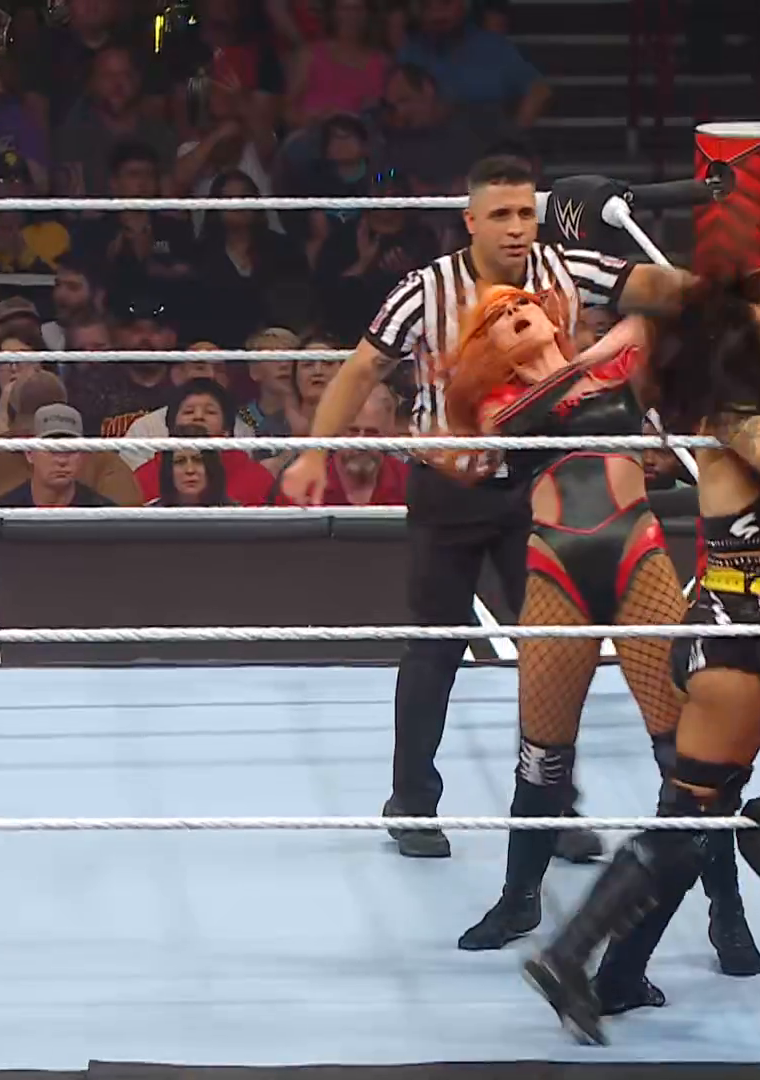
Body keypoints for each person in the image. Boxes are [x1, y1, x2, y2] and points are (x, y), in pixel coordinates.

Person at [280, 156, 690, 861]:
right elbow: (362, 368)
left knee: (554, 652)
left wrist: (688, 280)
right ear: (470, 221)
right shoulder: (425, 289)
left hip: (540, 486)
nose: (516, 227)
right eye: (500, 214)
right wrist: (315, 453)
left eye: (526, 213)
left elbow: (661, 287)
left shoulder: (568, 267)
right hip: (449, 492)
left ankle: (551, 810)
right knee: (435, 646)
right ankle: (412, 803)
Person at [522, 252, 760, 1044]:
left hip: (746, 627)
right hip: (732, 631)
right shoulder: (738, 418)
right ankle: (570, 954)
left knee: (695, 819)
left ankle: (613, 974)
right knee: (686, 819)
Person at [436, 284, 760, 978]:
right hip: (557, 569)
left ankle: (726, 908)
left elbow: (658, 318)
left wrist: (601, 353)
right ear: (486, 348)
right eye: (496, 318)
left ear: (550, 313)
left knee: (687, 754)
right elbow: (512, 422)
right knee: (542, 755)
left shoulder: (617, 367)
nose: (513, 315)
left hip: (636, 556)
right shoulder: (502, 401)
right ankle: (519, 899)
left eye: (520, 305)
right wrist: (592, 360)